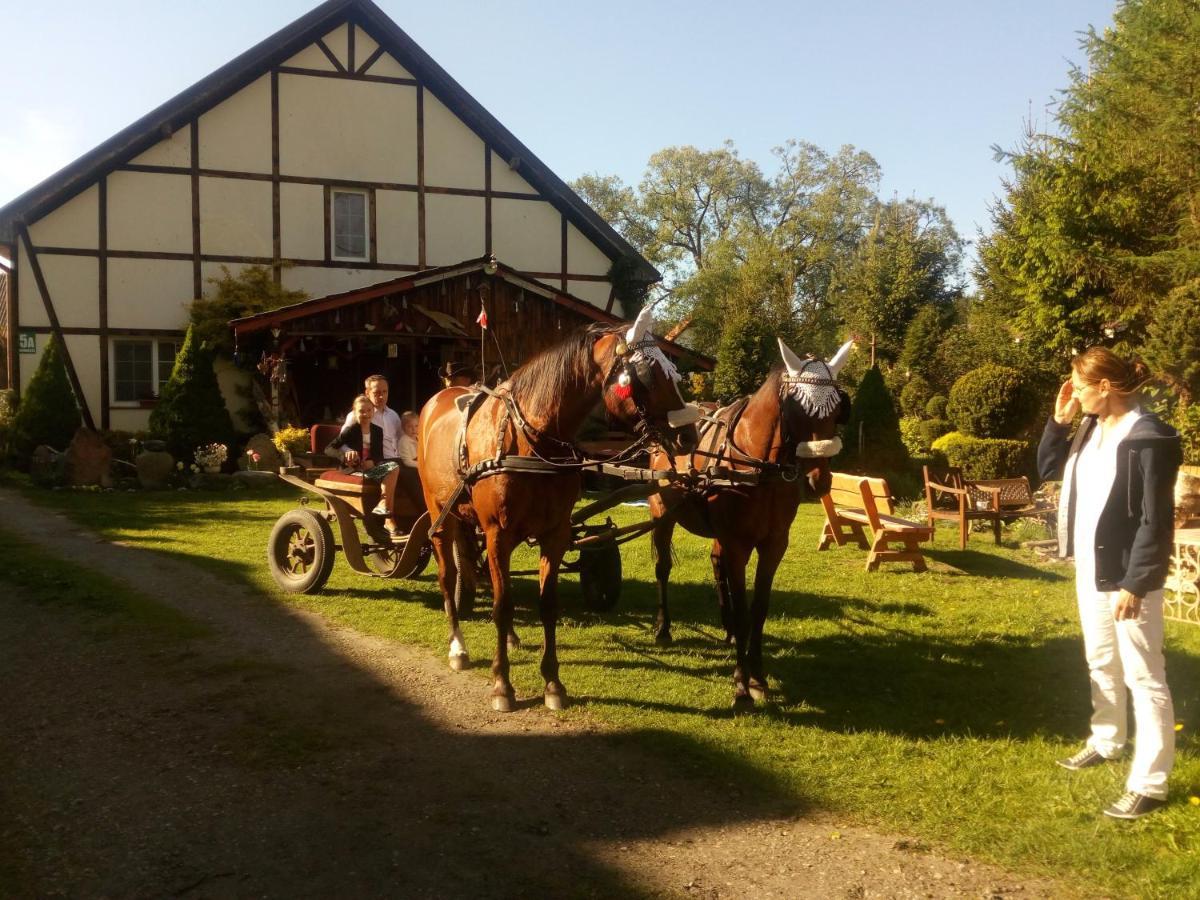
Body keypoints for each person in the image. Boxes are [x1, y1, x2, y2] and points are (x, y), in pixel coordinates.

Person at [1038, 347, 1182, 820]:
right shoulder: (1089, 428)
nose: (1073, 394)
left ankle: (1151, 781)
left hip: (1127, 578)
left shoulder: (1150, 437)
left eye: (1078, 386)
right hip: (1091, 569)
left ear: (1105, 387)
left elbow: (1156, 521)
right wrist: (1059, 423)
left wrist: (1137, 583)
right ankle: (1107, 738)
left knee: (1145, 675)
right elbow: (1045, 471)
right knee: (1100, 659)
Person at [326, 394, 384, 472]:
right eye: (361, 411)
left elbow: (379, 455)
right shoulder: (351, 430)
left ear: (373, 411)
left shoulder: (378, 431)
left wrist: (373, 462)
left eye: (369, 410)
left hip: (372, 469)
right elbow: (328, 449)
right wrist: (344, 457)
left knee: (393, 469)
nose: (366, 414)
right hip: (353, 469)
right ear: (355, 413)